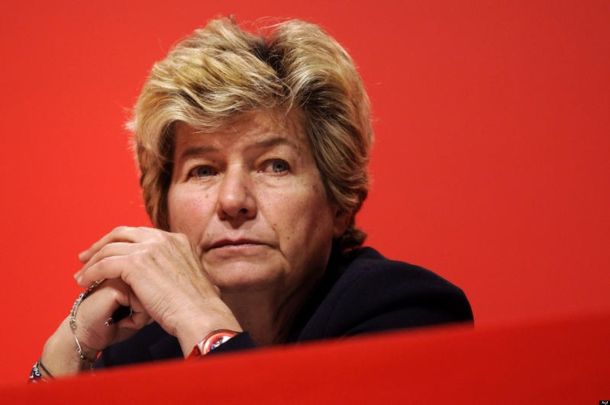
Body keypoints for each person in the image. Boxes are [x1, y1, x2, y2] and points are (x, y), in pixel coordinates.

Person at [30, 17, 472, 380]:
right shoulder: (139, 348)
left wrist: (201, 318)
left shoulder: (406, 313)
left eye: (274, 165)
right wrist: (68, 349)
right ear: (163, 211)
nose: (233, 200)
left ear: (338, 202)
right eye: (203, 170)